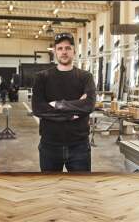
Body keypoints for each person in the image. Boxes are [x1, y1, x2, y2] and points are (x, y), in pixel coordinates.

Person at [31, 32, 96, 172]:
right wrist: (72, 112)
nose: (64, 52)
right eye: (60, 48)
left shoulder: (86, 77)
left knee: (81, 190)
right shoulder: (42, 78)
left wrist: (57, 105)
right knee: (52, 190)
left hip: (79, 146)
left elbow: (89, 105)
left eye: (67, 48)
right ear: (54, 51)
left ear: (74, 51)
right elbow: (38, 108)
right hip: (50, 145)